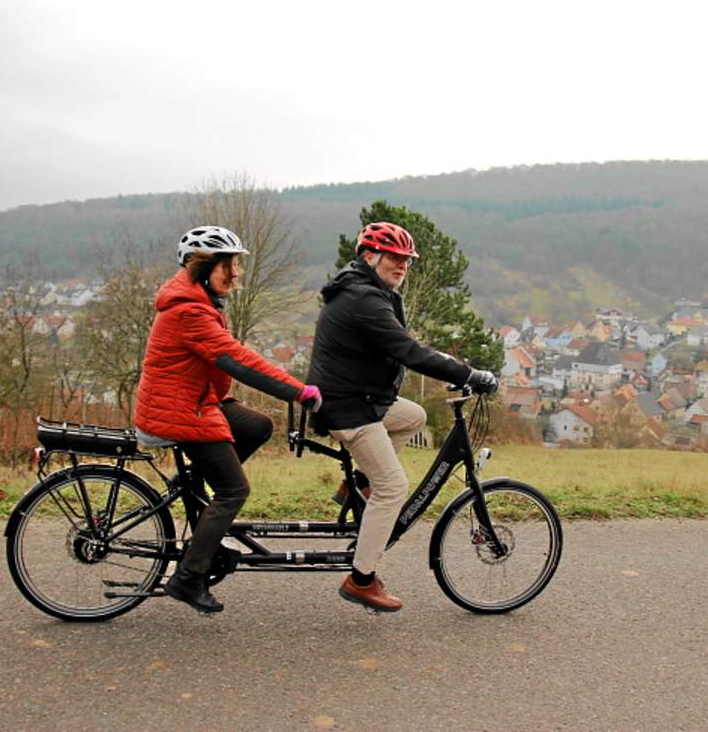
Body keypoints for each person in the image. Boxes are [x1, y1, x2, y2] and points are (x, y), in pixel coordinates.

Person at [306, 221, 497, 612]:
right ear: (369, 256)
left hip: (360, 398)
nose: (402, 266)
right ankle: (362, 579)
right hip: (348, 407)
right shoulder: (364, 298)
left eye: (407, 260)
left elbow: (403, 348)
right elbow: (409, 351)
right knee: (393, 486)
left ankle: (358, 486)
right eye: (395, 258)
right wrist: (469, 374)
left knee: (413, 415)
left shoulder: (365, 290)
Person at [134, 225, 322, 615]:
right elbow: (237, 360)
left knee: (257, 426)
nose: (236, 273)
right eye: (229, 265)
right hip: (182, 413)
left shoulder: (197, 301)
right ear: (202, 268)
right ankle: (188, 578)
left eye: (236, 264)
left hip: (196, 403)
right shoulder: (189, 311)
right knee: (234, 490)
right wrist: (298, 391)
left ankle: (200, 504)